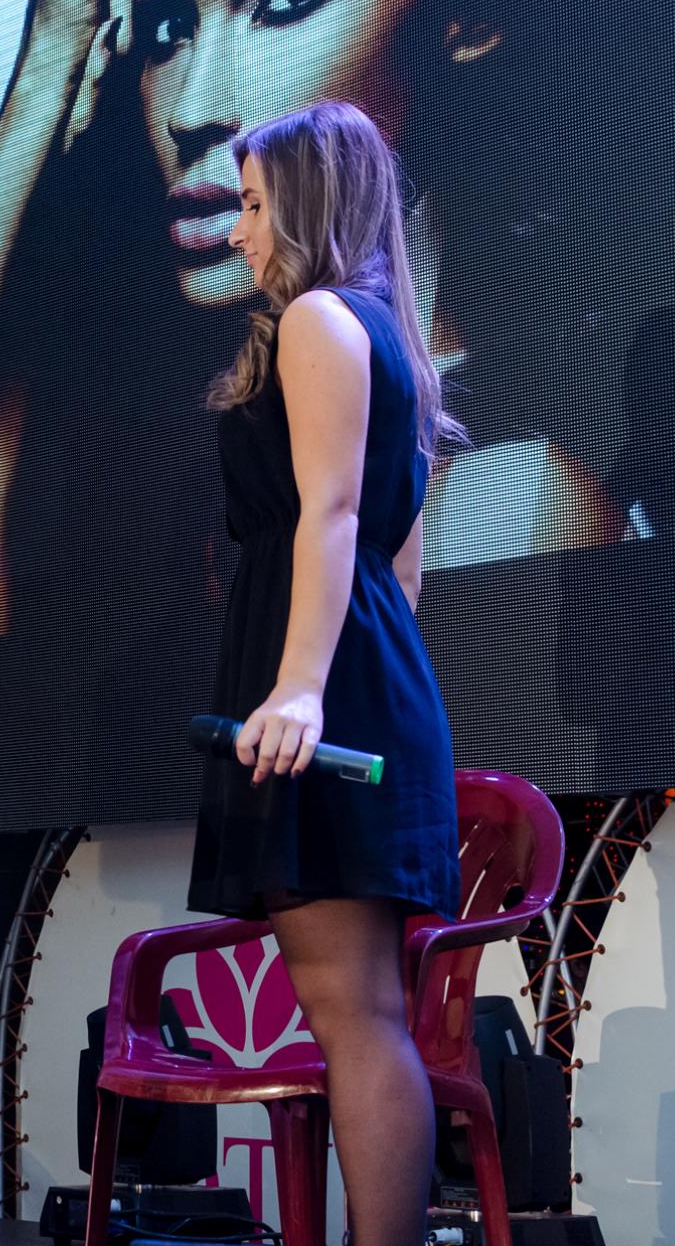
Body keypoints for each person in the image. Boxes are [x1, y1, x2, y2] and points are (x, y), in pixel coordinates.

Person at [184, 102, 461, 1246]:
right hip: (363, 675)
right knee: (361, 1009)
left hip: (326, 688)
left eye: (255, 203)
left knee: (355, 1013)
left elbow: (336, 514)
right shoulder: (383, 331)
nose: (238, 227)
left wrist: (302, 684)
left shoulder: (316, 319)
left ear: (306, 202)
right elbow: (403, 560)